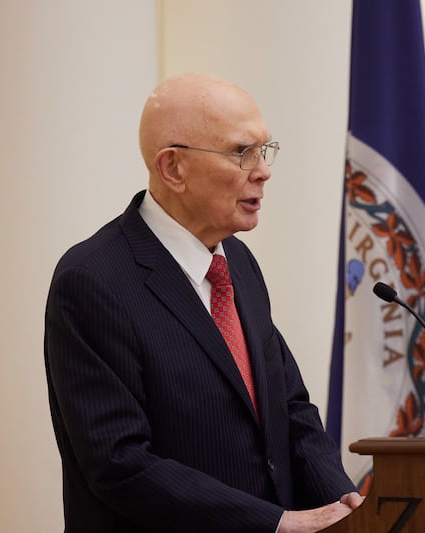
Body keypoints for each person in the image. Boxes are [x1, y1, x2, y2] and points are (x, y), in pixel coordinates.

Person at [44, 73, 362, 533]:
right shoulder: (93, 281)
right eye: (240, 152)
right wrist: (274, 523)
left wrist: (343, 504)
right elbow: (121, 463)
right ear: (173, 168)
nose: (263, 170)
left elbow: (290, 408)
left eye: (263, 150)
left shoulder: (238, 261)